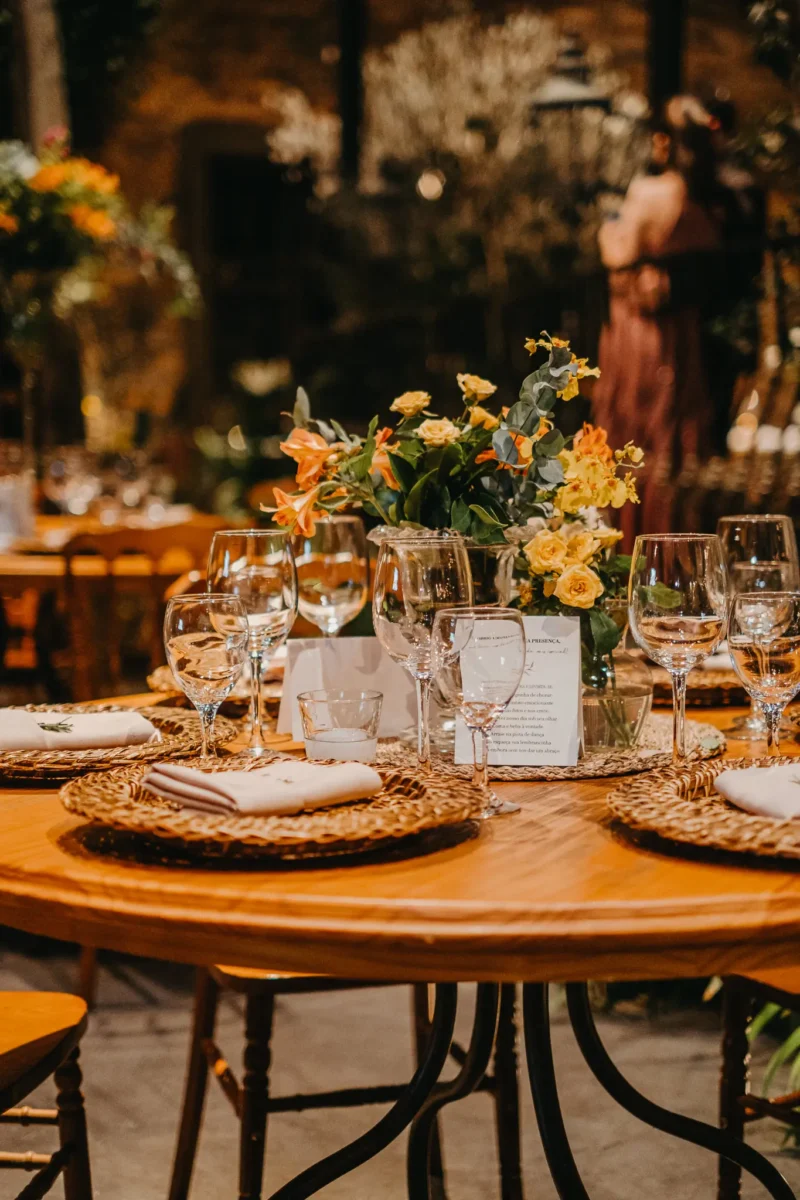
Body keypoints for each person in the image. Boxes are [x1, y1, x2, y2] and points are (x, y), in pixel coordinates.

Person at [592, 96, 723, 543]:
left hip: (640, 329)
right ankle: (678, 536)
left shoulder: (653, 191)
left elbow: (619, 252)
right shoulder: (703, 199)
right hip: (679, 329)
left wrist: (607, 230)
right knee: (673, 428)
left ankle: (636, 537)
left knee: (637, 425)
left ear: (664, 141)